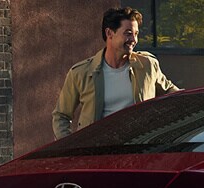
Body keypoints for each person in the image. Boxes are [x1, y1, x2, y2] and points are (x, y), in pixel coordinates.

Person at [52, 7, 179, 140]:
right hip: (97, 152)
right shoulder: (81, 73)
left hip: (140, 150)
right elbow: (61, 115)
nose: (134, 39)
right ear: (109, 33)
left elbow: (173, 93)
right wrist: (70, 148)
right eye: (128, 33)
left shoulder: (147, 65)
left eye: (136, 34)